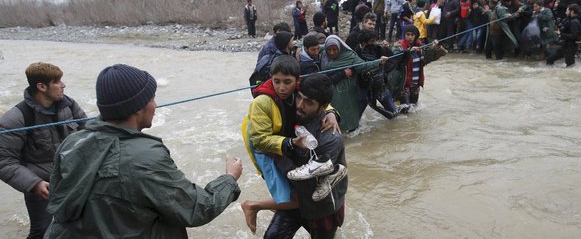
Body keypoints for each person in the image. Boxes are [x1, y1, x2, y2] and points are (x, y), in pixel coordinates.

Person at [44, 64, 242, 238]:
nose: (155, 105)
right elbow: (196, 208)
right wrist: (229, 179)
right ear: (138, 108)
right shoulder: (146, 158)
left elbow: (57, 198)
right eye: (152, 99)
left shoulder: (72, 142)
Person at [241, 56, 339, 234]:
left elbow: (318, 96)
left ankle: (270, 207)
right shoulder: (261, 102)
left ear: (297, 81)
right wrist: (290, 143)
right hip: (267, 148)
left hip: (287, 147)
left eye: (287, 82)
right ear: (270, 78)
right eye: (276, 81)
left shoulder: (300, 91)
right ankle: (253, 206)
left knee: (297, 197)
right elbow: (259, 139)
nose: (282, 87)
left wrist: (331, 112)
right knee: (290, 197)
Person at [0, 62, 87, 239]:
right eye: (57, 81)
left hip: (73, 180)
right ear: (41, 86)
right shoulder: (15, 118)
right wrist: (34, 184)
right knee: (42, 232)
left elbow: (92, 133)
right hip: (41, 186)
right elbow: (4, 161)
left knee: (80, 228)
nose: (63, 85)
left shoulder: (69, 105)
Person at [264, 74, 347, 239]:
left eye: (308, 102)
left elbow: (307, 182)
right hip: (295, 198)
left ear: (323, 106)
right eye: (299, 97)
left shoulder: (330, 137)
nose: (300, 105)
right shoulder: (293, 112)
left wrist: (276, 155)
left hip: (322, 208)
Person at [321, 35, 388, 132]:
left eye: (334, 49)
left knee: (347, 116)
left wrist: (379, 62)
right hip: (330, 92)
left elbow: (364, 66)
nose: (331, 52)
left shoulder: (349, 57)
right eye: (329, 50)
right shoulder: (323, 55)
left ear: (339, 48)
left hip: (346, 93)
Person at [391, 25, 446, 109]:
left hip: (415, 84)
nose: (410, 37)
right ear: (404, 35)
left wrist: (436, 47)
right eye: (408, 34)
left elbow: (439, 54)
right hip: (402, 84)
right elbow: (395, 57)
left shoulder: (420, 48)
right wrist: (409, 51)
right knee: (405, 110)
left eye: (412, 35)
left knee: (413, 109)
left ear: (415, 36)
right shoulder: (398, 46)